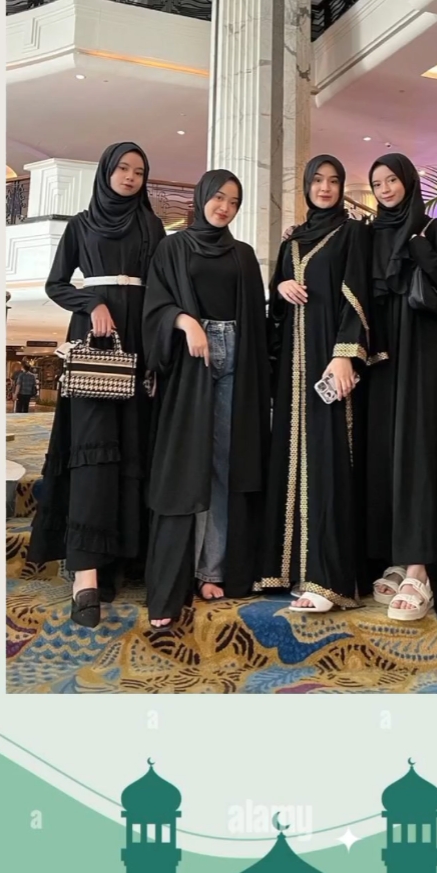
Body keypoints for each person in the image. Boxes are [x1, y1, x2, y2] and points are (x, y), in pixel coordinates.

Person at [27, 142, 165, 627]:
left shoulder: (151, 226)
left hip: (139, 340)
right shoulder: (81, 225)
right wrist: (91, 303)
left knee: (132, 449)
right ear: (106, 171)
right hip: (95, 341)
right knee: (92, 451)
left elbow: (162, 285)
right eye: (122, 168)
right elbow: (56, 283)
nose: (130, 177)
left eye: (139, 171)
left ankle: (121, 561)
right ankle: (86, 574)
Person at [142, 170, 271, 629]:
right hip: (191, 361)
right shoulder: (173, 247)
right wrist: (185, 321)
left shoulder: (243, 254)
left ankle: (213, 570)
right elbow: (155, 305)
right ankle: (174, 579)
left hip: (239, 358)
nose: (225, 207)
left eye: (234, 202)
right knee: (186, 466)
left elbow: (257, 320)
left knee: (225, 464)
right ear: (201, 197)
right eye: (218, 197)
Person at [256, 155, 370, 613]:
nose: (325, 188)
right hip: (292, 369)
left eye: (334, 181)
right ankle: (288, 569)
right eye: (317, 180)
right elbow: (277, 305)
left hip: (329, 362)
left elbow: (359, 294)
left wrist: (345, 355)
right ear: (305, 186)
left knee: (329, 459)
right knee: (291, 458)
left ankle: (329, 580)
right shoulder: (292, 241)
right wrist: (280, 288)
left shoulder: (352, 233)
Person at [366, 153, 437, 622]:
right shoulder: (369, 234)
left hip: (420, 353)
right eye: (377, 183)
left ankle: (418, 569)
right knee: (384, 451)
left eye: (392, 180)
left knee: (417, 448)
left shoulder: (433, 229)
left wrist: (421, 251)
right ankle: (395, 555)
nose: (386, 189)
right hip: (380, 356)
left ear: (409, 182)